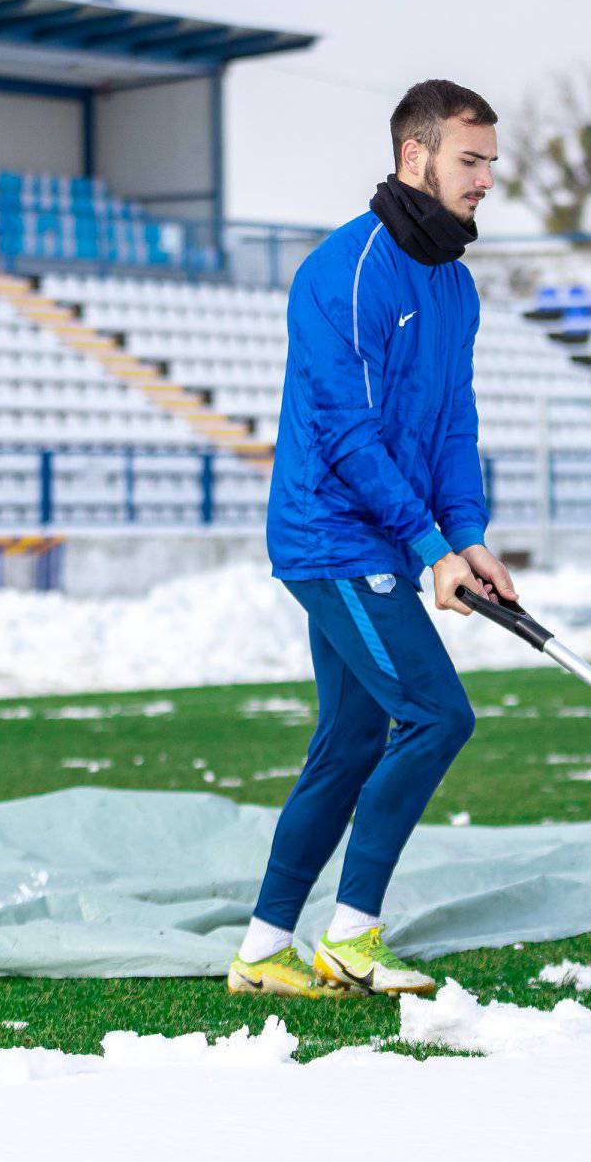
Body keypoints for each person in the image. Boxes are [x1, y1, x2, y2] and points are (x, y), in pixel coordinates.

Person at [230, 80, 516, 999]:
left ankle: (263, 949)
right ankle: (351, 936)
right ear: (413, 156)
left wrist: (465, 536)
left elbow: (454, 426)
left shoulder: (454, 284)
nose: (483, 180)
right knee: (437, 713)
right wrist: (429, 547)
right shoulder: (342, 273)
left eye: (489, 163)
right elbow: (348, 435)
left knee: (349, 743)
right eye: (469, 161)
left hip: (391, 540)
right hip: (334, 536)